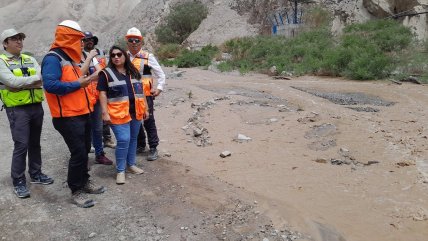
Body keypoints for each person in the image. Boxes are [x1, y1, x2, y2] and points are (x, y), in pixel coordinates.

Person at [41, 20, 105, 208]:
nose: (81, 43)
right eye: (78, 39)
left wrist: (89, 78)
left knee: (84, 150)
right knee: (78, 152)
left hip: (82, 113)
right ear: (68, 38)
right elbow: (50, 86)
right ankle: (76, 189)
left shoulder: (70, 58)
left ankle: (85, 181)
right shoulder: (53, 58)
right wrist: (80, 83)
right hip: (67, 117)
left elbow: (79, 78)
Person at [0, 28, 53, 198]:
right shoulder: (1, 61)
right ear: (5, 43)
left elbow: (41, 76)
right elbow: (11, 82)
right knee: (21, 144)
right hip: (17, 109)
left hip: (36, 106)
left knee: (35, 143)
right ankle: (18, 180)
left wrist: (23, 84)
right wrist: (33, 81)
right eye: (14, 39)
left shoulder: (29, 59)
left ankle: (36, 174)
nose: (19, 41)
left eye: (20, 38)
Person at [98, 45, 148, 184]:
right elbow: (102, 93)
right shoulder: (106, 73)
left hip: (135, 111)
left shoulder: (134, 72)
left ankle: (131, 165)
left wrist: (146, 108)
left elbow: (141, 91)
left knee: (133, 139)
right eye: (113, 55)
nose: (116, 57)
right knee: (124, 139)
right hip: (117, 114)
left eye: (119, 54)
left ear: (124, 56)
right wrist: (104, 113)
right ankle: (120, 170)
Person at [126, 27, 166, 161]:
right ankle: (140, 144)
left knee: (148, 121)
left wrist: (159, 88)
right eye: (131, 40)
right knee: (134, 120)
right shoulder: (123, 57)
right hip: (129, 96)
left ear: (141, 42)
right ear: (127, 42)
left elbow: (161, 75)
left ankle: (153, 147)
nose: (134, 43)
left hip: (145, 95)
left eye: (136, 40)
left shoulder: (148, 57)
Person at [81, 31, 113, 166]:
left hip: (97, 95)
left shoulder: (98, 53)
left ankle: (100, 154)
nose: (89, 41)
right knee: (83, 128)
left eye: (91, 39)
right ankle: (82, 156)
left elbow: (103, 71)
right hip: (83, 97)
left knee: (98, 127)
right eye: (86, 39)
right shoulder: (78, 56)